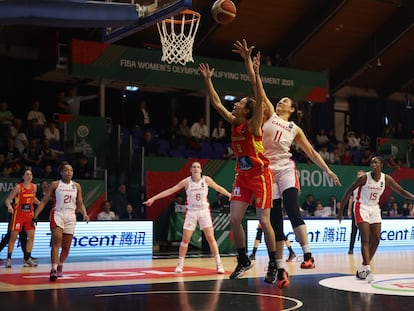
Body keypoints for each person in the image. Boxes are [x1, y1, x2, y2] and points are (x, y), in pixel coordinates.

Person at [233, 39, 341, 287]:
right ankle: (280, 269)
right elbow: (257, 88)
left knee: (293, 209)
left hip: (285, 169)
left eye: (285, 102)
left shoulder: (294, 128)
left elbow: (312, 153)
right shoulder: (269, 113)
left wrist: (328, 169)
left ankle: (308, 255)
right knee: (273, 223)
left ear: (292, 109)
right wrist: (250, 64)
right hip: (265, 171)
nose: (280, 102)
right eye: (279, 100)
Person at [199, 63, 277, 283]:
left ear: (249, 111)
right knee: (234, 219)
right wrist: (207, 79)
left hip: (261, 177)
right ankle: (243, 259)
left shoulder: (253, 126)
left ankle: (273, 263)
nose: (235, 104)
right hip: (242, 176)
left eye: (241, 103)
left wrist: (256, 73)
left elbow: (259, 98)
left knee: (264, 220)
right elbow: (215, 103)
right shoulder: (234, 123)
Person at [143, 161, 231, 274]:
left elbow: (218, 188)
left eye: (198, 167)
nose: (196, 168)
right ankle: (180, 264)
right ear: (190, 169)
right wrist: (154, 198)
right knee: (185, 239)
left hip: (204, 211)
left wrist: (229, 195)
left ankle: (219, 264)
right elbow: (171, 190)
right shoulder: (186, 182)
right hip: (191, 212)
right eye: (194, 167)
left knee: (210, 238)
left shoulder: (206, 180)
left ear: (201, 170)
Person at [338, 156, 414, 281]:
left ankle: (362, 267)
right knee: (365, 239)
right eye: (371, 162)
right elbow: (348, 192)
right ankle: (367, 269)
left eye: (376, 162)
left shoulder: (386, 178)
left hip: (374, 208)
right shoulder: (364, 178)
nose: (373, 164)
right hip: (361, 206)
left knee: (377, 239)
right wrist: (340, 212)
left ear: (381, 165)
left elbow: (401, 191)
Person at [33, 161, 90, 281]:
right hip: (57, 213)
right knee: (56, 242)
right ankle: (53, 269)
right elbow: (43, 201)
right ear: (61, 172)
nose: (69, 172)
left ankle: (60, 265)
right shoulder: (55, 184)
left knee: (66, 247)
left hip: (71, 216)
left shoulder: (77, 186)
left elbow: (80, 203)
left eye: (71, 170)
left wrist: (85, 214)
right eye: (66, 170)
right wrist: (35, 214)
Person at [4, 167, 40, 268]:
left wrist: (39, 202)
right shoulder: (18, 187)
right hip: (18, 215)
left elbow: (32, 199)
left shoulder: (34, 187)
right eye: (27, 174)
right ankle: (9, 259)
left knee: (31, 237)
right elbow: (7, 200)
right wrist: (10, 207)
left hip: (29, 215)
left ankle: (27, 259)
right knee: (13, 238)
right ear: (23, 176)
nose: (29, 176)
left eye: (31, 175)